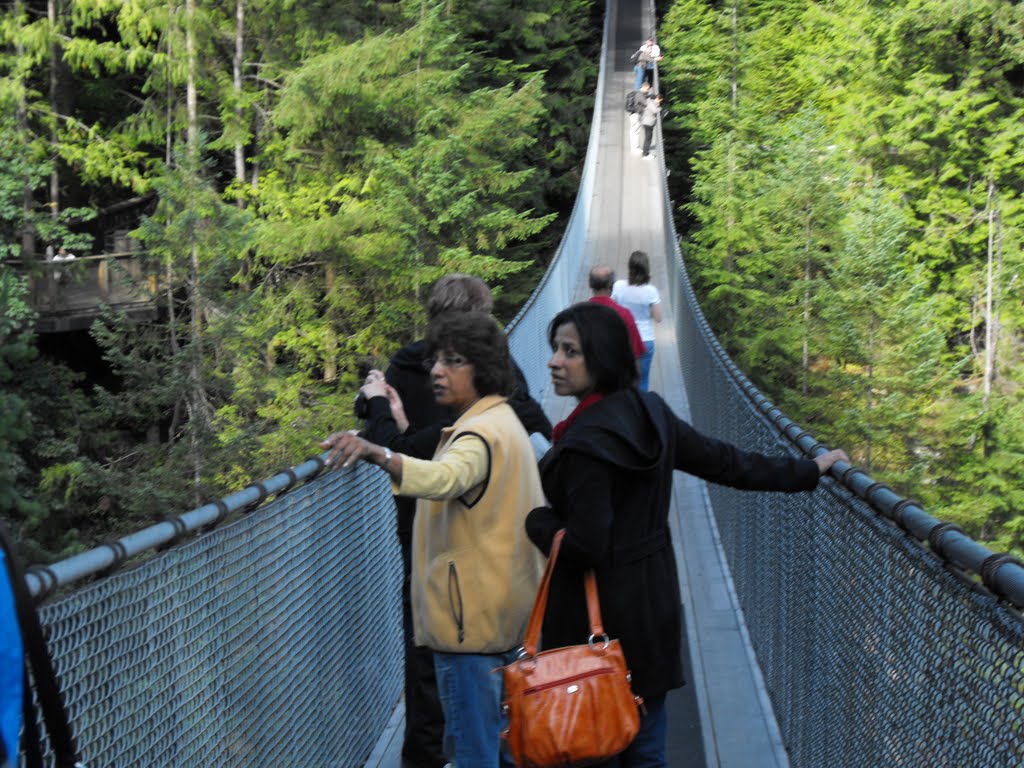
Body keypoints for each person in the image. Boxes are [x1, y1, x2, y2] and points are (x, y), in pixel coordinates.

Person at [525, 302, 848, 768]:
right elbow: (725, 462)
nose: (555, 361)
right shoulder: (651, 411)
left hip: (595, 628)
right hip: (653, 606)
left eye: (570, 351)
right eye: (556, 348)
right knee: (647, 745)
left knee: (590, 742)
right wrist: (805, 470)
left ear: (602, 358)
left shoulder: (584, 446)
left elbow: (585, 546)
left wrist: (538, 522)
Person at [322, 312, 545, 768]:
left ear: (482, 368)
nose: (437, 371)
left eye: (454, 361)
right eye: (437, 360)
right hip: (500, 614)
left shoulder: (479, 434)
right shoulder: (502, 420)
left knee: (474, 754)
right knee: (503, 751)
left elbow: (445, 477)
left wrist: (375, 449)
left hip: (470, 631)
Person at [613, 251, 662, 391]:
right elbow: (658, 318)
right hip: (645, 340)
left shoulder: (618, 286)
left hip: (623, 339)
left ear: (629, 267)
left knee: (623, 379)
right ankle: (640, 410)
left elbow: (611, 308)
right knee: (643, 380)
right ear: (647, 269)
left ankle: (624, 409)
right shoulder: (651, 291)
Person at [588, 264, 644, 359]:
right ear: (612, 284)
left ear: (590, 284)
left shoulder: (577, 314)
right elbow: (636, 353)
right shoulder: (624, 314)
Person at [625, 82, 652, 153]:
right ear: (644, 87)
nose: (648, 90)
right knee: (635, 132)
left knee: (634, 131)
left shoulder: (637, 93)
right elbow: (646, 104)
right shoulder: (640, 94)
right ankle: (634, 149)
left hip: (633, 114)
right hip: (636, 115)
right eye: (648, 89)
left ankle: (635, 147)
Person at [639, 91, 662, 159]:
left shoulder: (650, 101)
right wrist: (659, 107)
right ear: (657, 98)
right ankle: (645, 154)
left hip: (647, 122)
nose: (659, 102)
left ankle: (645, 152)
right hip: (648, 123)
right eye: (660, 100)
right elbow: (655, 110)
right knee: (648, 138)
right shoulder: (651, 103)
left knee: (648, 138)